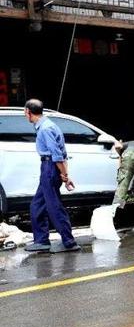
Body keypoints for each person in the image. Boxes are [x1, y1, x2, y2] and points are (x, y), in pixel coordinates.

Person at [23, 100, 81, 254]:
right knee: (37, 205)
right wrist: (64, 173)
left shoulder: (45, 129)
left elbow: (57, 155)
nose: (24, 115)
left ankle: (69, 242)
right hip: (50, 167)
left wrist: (65, 175)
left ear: (28, 111)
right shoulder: (48, 125)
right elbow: (63, 153)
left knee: (53, 206)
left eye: (24, 112)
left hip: (50, 167)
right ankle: (41, 241)